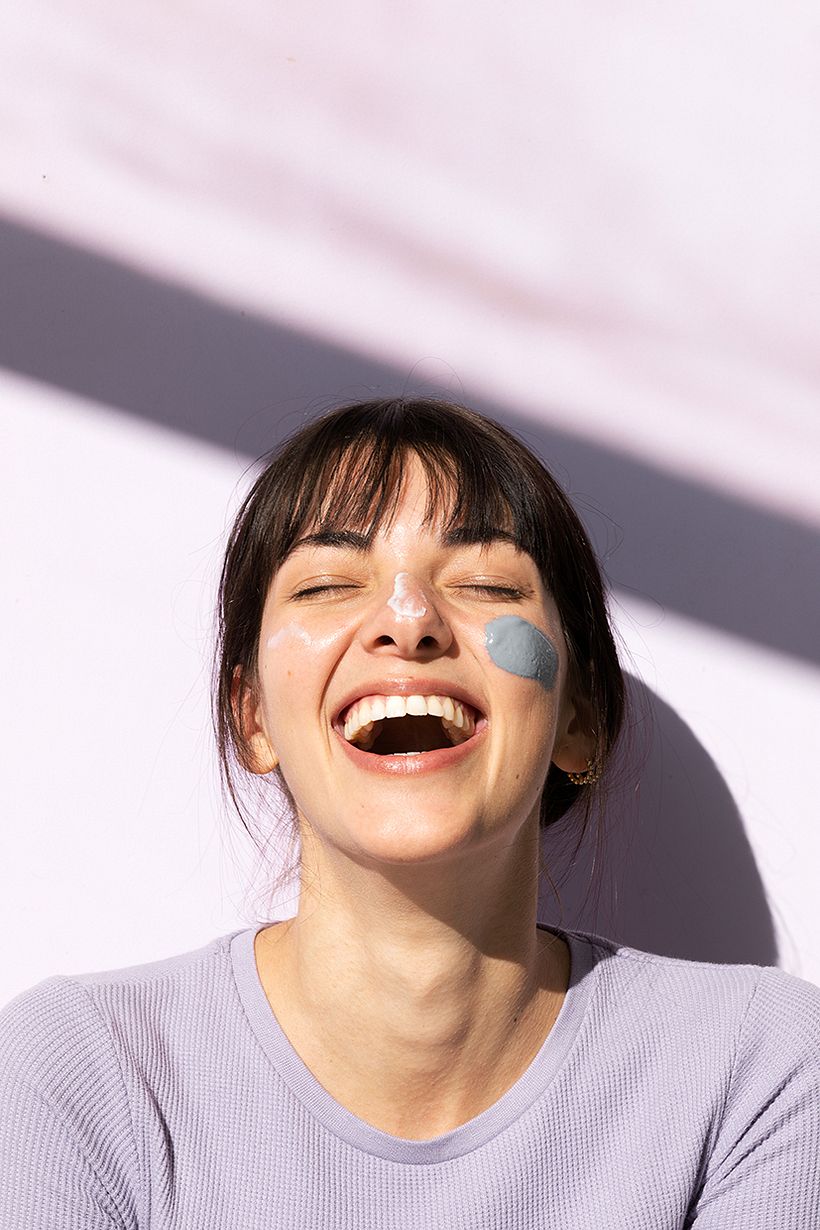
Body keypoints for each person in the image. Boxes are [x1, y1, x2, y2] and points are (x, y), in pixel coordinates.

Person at [1, 397, 818, 1229]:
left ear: (579, 719)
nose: (408, 620)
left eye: (485, 583)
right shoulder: (84, 1075)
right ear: (253, 718)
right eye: (326, 584)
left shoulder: (758, 1072)